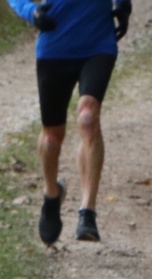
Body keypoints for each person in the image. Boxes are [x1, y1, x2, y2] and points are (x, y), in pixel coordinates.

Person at [9, 0, 131, 245]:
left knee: (88, 117)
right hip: (55, 45)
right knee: (51, 138)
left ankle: (88, 213)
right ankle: (51, 195)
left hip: (98, 41)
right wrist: (31, 12)